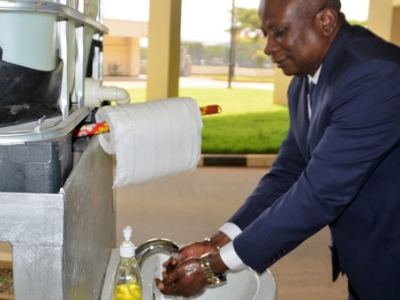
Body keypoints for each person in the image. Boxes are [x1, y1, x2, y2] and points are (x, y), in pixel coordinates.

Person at [155, 0, 400, 299]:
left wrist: (213, 266)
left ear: (325, 20)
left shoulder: (374, 74)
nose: (268, 48)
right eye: (265, 34)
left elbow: (320, 193)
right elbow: (288, 172)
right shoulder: (304, 82)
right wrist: (218, 242)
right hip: (370, 265)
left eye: (279, 32)